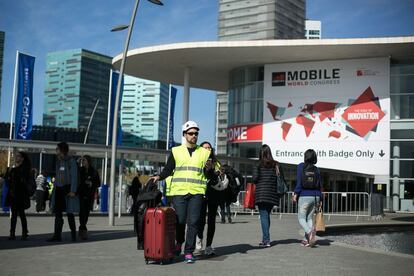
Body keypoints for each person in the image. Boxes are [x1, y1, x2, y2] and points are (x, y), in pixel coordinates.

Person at [149, 120, 214, 264]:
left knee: (194, 222)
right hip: (179, 192)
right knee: (180, 220)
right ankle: (179, 242)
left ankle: (189, 252)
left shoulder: (204, 153)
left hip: (197, 192)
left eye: (196, 133)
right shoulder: (176, 151)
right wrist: (159, 176)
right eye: (191, 133)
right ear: (184, 134)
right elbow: (168, 169)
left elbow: (209, 176)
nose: (194, 136)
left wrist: (209, 169)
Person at [253, 144, 285, 247]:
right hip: (272, 194)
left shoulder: (258, 164)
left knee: (263, 216)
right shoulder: (276, 164)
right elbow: (281, 178)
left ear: (260, 153)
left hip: (261, 194)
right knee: (266, 215)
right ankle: (265, 238)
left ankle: (266, 240)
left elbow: (254, 179)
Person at [47, 142, 79, 242]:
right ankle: (57, 235)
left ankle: (73, 235)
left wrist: (73, 190)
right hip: (59, 190)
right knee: (58, 213)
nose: (56, 151)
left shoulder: (71, 161)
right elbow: (57, 177)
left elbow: (74, 176)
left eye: (57, 149)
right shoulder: (58, 162)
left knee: (69, 213)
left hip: (68, 190)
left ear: (62, 150)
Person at [292, 149, 323, 247]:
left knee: (301, 218)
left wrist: (296, 193)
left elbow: (299, 181)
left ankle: (310, 232)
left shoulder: (301, 166)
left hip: (304, 196)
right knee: (309, 217)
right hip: (316, 197)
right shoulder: (317, 169)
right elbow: (320, 185)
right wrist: (320, 198)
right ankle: (307, 240)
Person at [195, 141, 222, 256]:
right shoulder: (197, 161)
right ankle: (199, 239)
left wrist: (219, 174)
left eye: (209, 148)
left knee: (211, 220)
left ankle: (209, 246)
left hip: (213, 194)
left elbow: (219, 176)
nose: (207, 149)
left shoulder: (216, 163)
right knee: (200, 220)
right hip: (200, 193)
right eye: (205, 147)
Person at [5, 151, 34, 240]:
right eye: (16, 156)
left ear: (22, 158)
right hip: (13, 195)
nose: (16, 158)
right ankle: (12, 233)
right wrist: (8, 172)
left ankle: (24, 232)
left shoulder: (25, 169)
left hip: (21, 195)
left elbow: (24, 181)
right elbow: (8, 182)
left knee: (21, 214)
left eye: (18, 156)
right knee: (14, 215)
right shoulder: (13, 169)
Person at [78, 155, 101, 240]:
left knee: (86, 213)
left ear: (88, 161)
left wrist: (91, 183)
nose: (83, 162)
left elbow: (98, 183)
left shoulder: (94, 171)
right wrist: (78, 161)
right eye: (82, 160)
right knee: (82, 213)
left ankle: (82, 229)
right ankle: (83, 230)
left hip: (90, 195)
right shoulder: (80, 170)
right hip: (81, 194)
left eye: (84, 160)